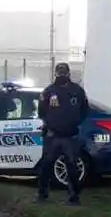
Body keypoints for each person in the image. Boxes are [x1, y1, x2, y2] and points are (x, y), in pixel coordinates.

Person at [37, 62, 90, 205]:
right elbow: (41, 112)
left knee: (72, 168)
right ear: (55, 74)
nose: (61, 75)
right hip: (52, 135)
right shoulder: (48, 91)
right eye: (59, 73)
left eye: (64, 73)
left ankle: (74, 198)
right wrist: (50, 124)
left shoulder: (77, 91)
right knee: (46, 166)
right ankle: (42, 196)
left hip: (70, 136)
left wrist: (75, 122)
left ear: (68, 74)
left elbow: (85, 110)